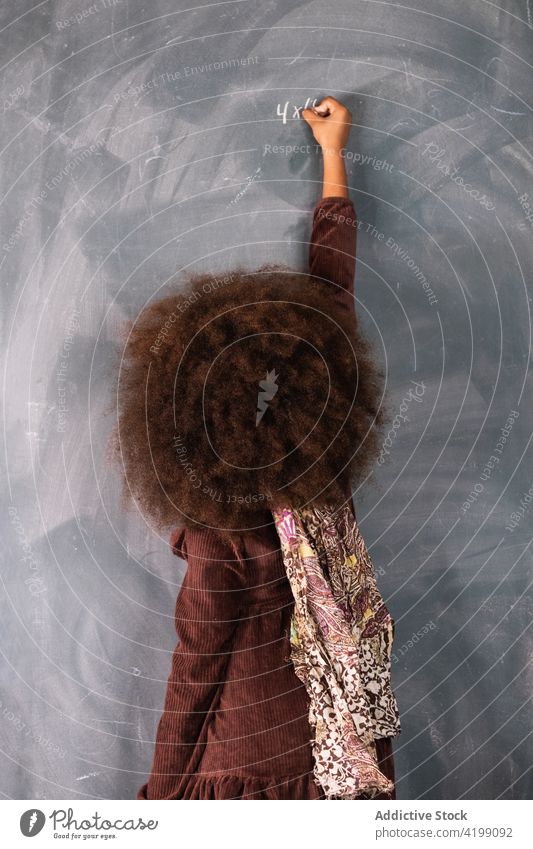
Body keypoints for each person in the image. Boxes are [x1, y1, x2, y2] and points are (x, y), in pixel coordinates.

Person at [112, 96, 400, 800]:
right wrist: (335, 155)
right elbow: (331, 301)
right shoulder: (323, 480)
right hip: (345, 751)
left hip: (249, 770)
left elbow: (196, 672)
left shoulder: (223, 533)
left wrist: (160, 797)